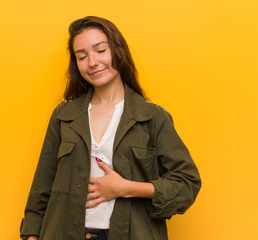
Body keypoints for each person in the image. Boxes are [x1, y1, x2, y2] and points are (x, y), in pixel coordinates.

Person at [20, 16, 201, 240]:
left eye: (100, 50)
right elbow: (41, 189)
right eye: (82, 56)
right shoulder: (63, 116)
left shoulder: (153, 117)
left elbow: (186, 184)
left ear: (118, 51)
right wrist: (31, 236)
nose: (92, 62)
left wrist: (126, 188)